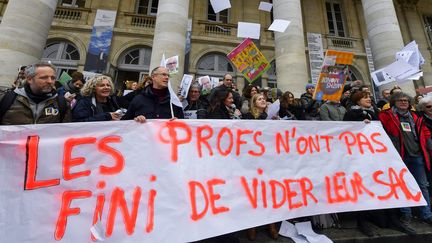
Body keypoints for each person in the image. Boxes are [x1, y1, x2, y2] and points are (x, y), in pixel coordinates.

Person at [379, 92, 432, 234]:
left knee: (422, 186)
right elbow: (379, 130)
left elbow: (425, 133)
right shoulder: (386, 116)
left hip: (417, 156)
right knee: (402, 186)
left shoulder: (415, 116)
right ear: (393, 102)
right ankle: (406, 215)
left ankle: (426, 214)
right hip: (399, 157)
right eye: (400, 100)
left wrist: (429, 147)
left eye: (406, 100)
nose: (403, 102)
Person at [242, 93, 279, 240]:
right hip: (253, 161)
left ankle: (271, 225)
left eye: (264, 98)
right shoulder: (249, 117)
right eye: (259, 99)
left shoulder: (273, 117)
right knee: (254, 194)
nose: (263, 100)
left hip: (270, 160)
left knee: (270, 194)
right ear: (253, 103)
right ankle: (252, 226)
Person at [0, 62, 70, 125]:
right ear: (29, 79)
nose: (50, 81)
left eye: (53, 78)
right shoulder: (6, 99)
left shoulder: (61, 103)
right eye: (44, 77)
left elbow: (65, 132)